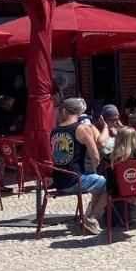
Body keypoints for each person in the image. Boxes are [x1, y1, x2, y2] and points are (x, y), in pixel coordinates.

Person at [49, 98, 107, 235]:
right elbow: (96, 157)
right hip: (76, 180)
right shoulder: (82, 128)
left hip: (59, 181)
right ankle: (92, 218)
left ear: (63, 111)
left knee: (97, 183)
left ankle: (93, 217)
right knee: (112, 184)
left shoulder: (54, 131)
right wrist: (95, 171)